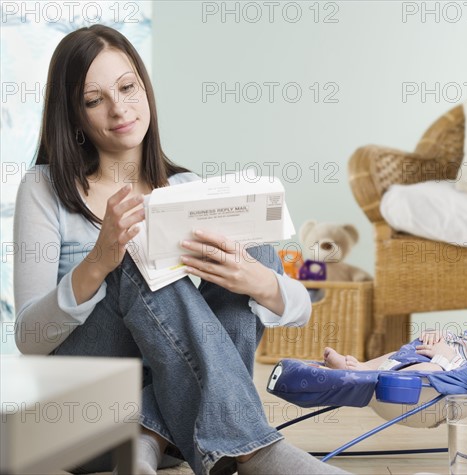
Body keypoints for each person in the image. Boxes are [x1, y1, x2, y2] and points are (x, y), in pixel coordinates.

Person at [13, 25, 350, 475]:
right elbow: (28, 341)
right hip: (80, 415)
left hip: (181, 422)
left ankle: (145, 438)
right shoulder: (44, 186)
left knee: (256, 256)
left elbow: (300, 310)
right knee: (135, 255)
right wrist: (98, 262)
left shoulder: (186, 188)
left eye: (128, 87)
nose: (120, 109)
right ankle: (254, 451)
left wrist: (258, 281)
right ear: (74, 116)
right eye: (95, 100)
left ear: (145, 87)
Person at [324, 289, 467, 372]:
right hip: (419, 357)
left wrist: (443, 354)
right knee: (405, 350)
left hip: (435, 376)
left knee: (428, 367)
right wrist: (435, 336)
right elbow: (456, 340)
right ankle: (363, 368)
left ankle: (368, 379)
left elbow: (464, 370)